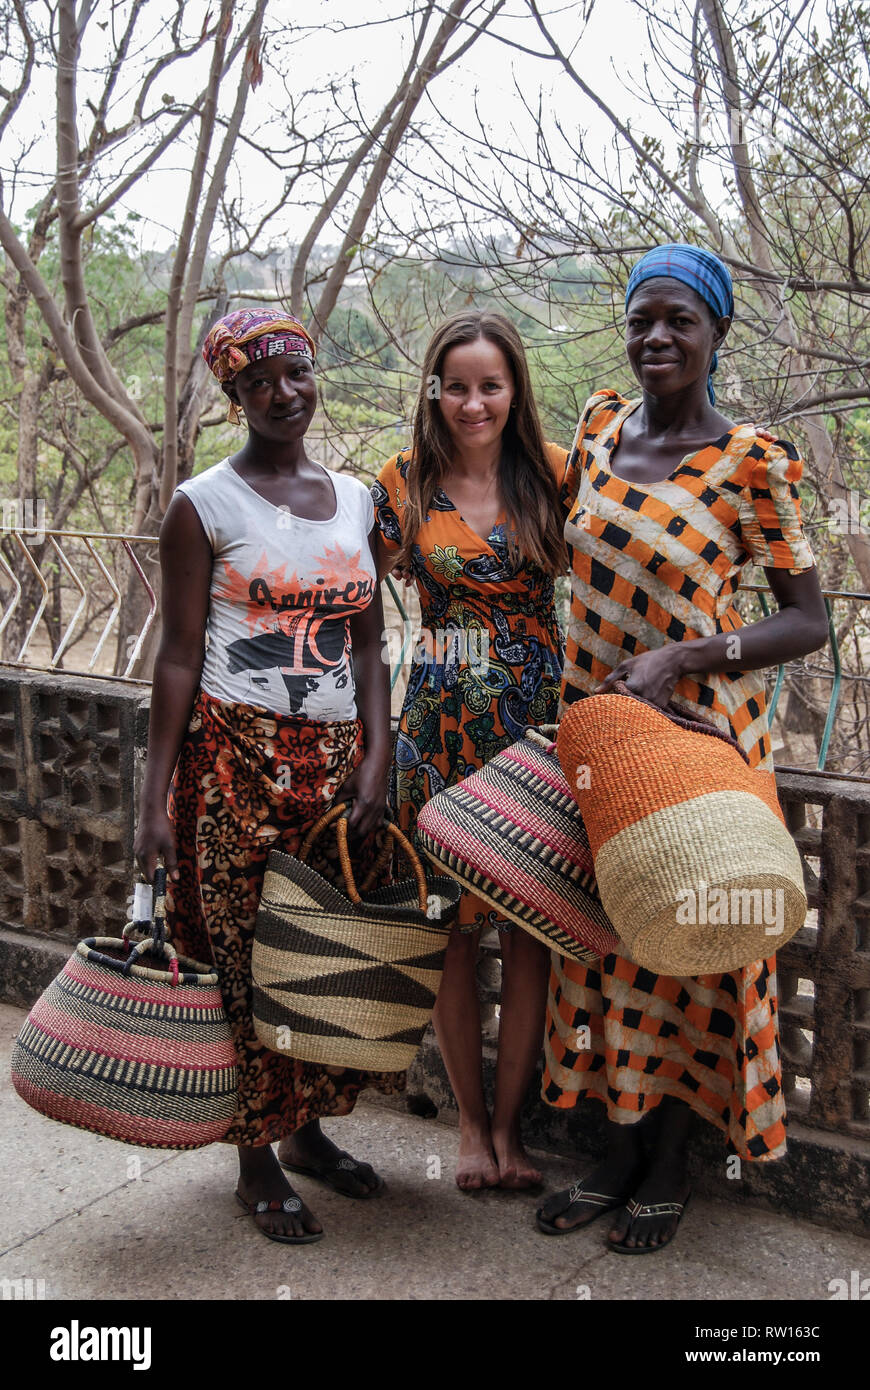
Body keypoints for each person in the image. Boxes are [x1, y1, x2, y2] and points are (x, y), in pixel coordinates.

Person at [535, 244, 829, 1252]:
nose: (657, 336)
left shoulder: (752, 461)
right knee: (604, 942)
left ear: (714, 335)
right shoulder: (599, 431)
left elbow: (808, 621)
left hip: (700, 741)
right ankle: (614, 1150)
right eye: (642, 318)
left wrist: (685, 655)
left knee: (693, 953)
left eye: (680, 321)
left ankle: (670, 1165)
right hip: (597, 734)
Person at [134, 308, 400, 1245]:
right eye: (260, 383)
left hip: (331, 764)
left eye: (296, 374)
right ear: (234, 394)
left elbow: (370, 646)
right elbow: (175, 654)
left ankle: (307, 1135)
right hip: (232, 761)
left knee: (316, 954)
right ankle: (254, 1163)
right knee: (245, 964)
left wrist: (378, 753)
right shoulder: (203, 505)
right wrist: (156, 793)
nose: (284, 395)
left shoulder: (360, 501)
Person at [372, 310, 577, 1190]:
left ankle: (510, 1131)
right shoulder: (401, 484)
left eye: (490, 385)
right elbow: (348, 603)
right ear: (435, 389)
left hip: (537, 728)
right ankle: (465, 1124)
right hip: (439, 724)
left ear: (514, 390)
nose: (472, 402)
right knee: (450, 934)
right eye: (456, 385)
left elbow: (616, 583)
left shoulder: (558, 477)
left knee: (530, 935)